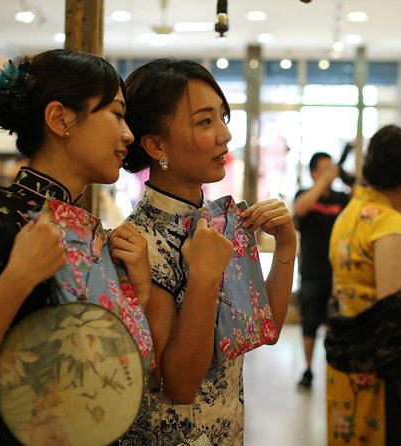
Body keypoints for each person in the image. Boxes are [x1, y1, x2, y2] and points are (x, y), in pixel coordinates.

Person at [0, 49, 151, 444]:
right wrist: (18, 279)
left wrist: (137, 293)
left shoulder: (96, 235)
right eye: (115, 113)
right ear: (60, 119)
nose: (128, 134)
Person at [117, 58, 297, 445]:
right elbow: (180, 386)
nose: (225, 135)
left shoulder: (218, 221)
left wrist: (286, 246)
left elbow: (263, 329)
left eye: (223, 116)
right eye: (204, 121)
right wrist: (203, 276)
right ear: (155, 145)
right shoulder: (139, 243)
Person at [326, 125, 401, 445]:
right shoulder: (388, 222)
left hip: (345, 350)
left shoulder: (351, 212)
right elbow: (391, 308)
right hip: (375, 362)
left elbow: (363, 283)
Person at [293, 152, 351, 389]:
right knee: (310, 323)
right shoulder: (305, 195)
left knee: (339, 323)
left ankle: (337, 369)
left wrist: (346, 178)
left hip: (339, 274)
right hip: (312, 272)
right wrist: (322, 184)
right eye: (324, 169)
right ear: (314, 172)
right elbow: (300, 209)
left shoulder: (342, 198)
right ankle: (308, 369)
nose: (330, 174)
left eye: (332, 169)